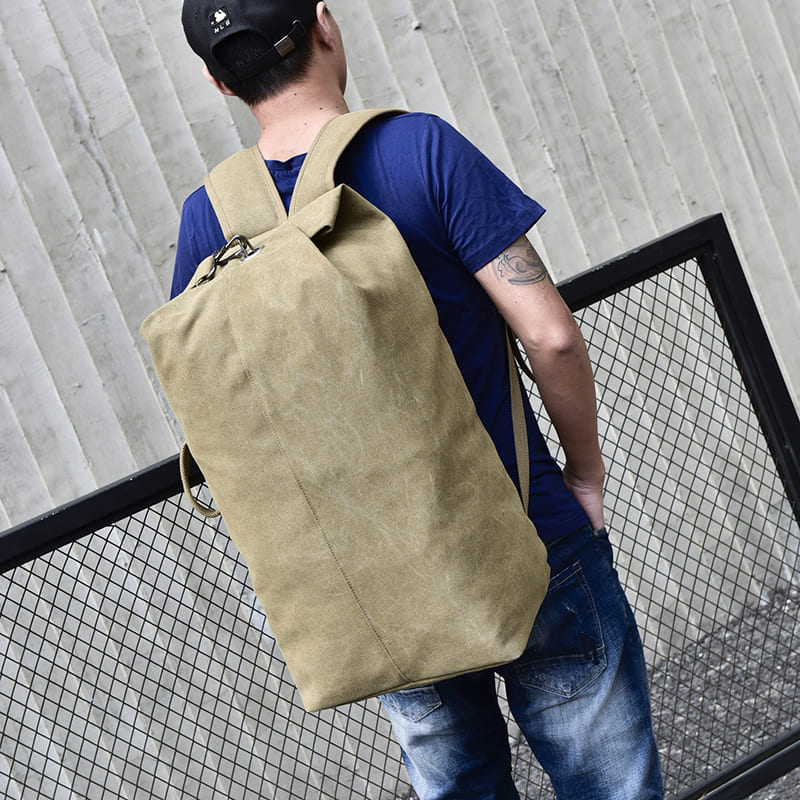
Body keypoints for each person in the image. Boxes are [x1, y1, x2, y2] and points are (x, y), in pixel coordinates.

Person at [174, 1, 664, 798]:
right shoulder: (419, 149)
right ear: (325, 25)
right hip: (529, 532)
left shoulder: (211, 221)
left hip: (384, 583)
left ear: (217, 80)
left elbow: (223, 423)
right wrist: (585, 474)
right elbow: (551, 338)